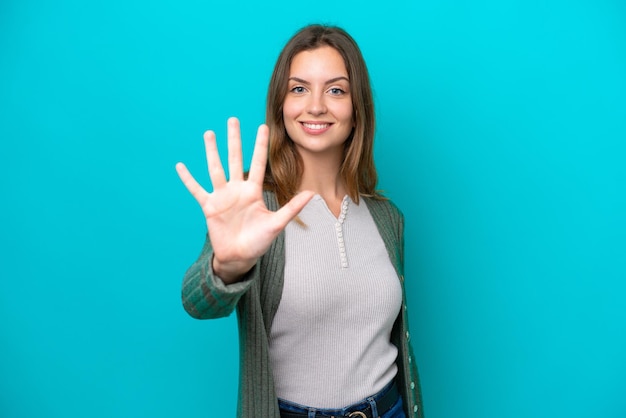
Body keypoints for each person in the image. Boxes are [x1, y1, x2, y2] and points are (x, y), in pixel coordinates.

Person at [175, 24, 424, 418]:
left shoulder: (387, 218)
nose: (316, 106)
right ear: (281, 106)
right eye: (299, 89)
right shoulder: (256, 210)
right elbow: (196, 302)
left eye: (336, 90)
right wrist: (228, 265)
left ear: (357, 110)